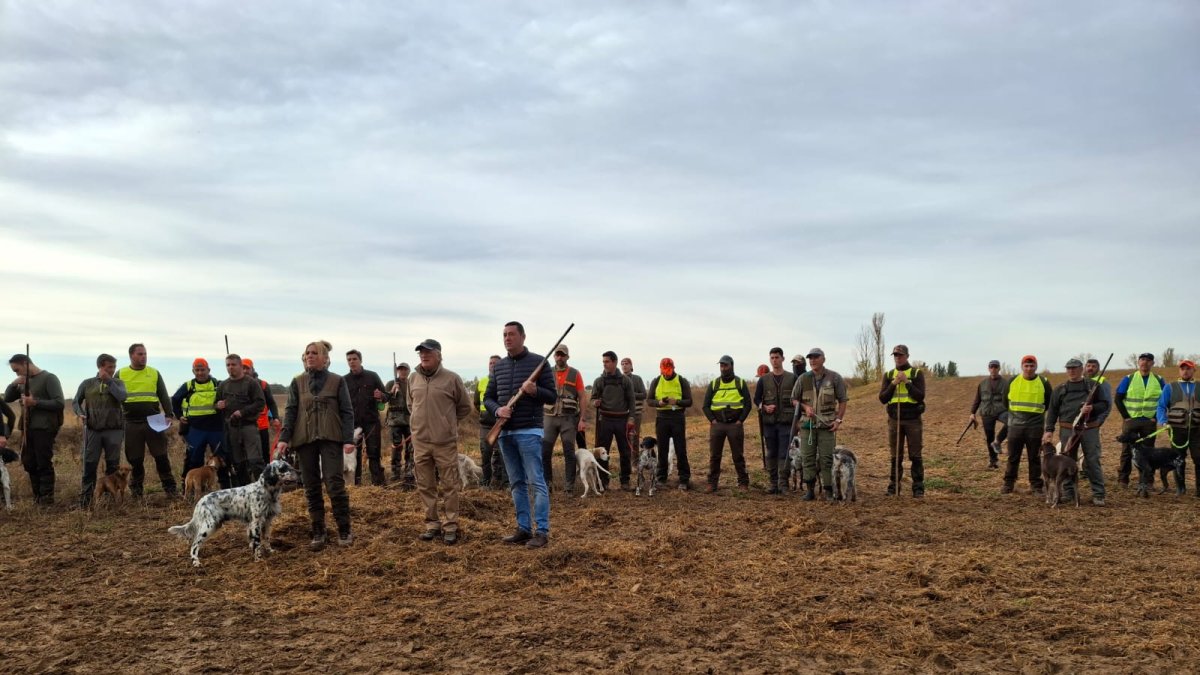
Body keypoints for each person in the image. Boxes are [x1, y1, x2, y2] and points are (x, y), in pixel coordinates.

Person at [484, 321, 557, 549]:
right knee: (516, 482)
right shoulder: (499, 367)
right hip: (506, 433)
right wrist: (498, 410)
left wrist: (534, 390)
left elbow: (552, 396)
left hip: (529, 430)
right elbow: (488, 397)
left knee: (536, 481)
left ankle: (542, 531)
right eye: (504, 334)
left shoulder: (540, 362)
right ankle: (523, 528)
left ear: (523, 337)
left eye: (512, 334)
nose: (507, 338)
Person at [276, 340, 355, 550]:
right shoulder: (297, 382)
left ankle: (344, 529)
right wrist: (284, 438)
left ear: (325, 358)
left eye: (314, 353)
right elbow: (291, 411)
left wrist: (348, 439)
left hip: (331, 438)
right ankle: (318, 532)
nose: (309, 356)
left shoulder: (337, 381)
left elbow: (347, 411)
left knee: (334, 484)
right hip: (305, 439)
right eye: (307, 353)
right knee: (311, 486)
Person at [408, 339, 473, 545]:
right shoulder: (412, 378)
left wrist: (446, 423)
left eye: (428, 352)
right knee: (425, 484)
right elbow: (411, 405)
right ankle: (432, 524)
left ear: (439, 355)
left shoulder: (451, 378)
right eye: (421, 353)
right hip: (421, 442)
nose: (424, 356)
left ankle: (451, 525)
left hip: (444, 442)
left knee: (449, 485)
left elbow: (464, 407)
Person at [1045, 358, 1109, 505]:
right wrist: (1049, 430)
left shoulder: (1093, 386)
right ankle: (1068, 493)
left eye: (1074, 368)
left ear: (1082, 369)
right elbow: (1053, 411)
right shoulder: (1060, 389)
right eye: (1068, 368)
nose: (1071, 371)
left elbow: (1105, 404)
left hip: (1089, 429)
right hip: (1067, 430)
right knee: (1066, 461)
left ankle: (1098, 494)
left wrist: (1092, 408)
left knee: (1092, 461)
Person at [117, 344, 178, 499]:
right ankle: (137, 493)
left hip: (154, 420)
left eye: (145, 353)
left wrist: (169, 414)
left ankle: (171, 490)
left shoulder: (154, 373)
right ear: (131, 355)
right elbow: (113, 397)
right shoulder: (121, 373)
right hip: (131, 422)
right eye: (140, 354)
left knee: (161, 456)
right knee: (135, 459)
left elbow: (163, 395)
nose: (143, 356)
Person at [5, 355, 65, 504]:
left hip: (44, 428)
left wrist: (35, 402)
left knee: (43, 462)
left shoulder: (49, 378)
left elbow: (59, 403)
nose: (17, 374)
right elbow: (7, 398)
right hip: (27, 428)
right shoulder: (22, 381)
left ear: (26, 363)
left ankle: (47, 500)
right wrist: (14, 383)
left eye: (17, 370)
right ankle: (37, 498)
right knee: (29, 462)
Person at [791, 348, 849, 501]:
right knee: (807, 458)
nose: (812, 360)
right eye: (810, 358)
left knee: (827, 459)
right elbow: (794, 399)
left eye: (816, 357)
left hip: (826, 426)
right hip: (807, 426)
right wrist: (805, 407)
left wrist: (838, 420)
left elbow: (843, 400)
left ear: (823, 359)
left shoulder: (835, 378)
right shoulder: (803, 378)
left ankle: (829, 491)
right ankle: (810, 490)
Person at [71, 354, 127, 507]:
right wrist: (80, 412)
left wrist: (108, 381)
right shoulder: (87, 383)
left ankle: (111, 501)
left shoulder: (118, 383)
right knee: (89, 465)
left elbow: (122, 397)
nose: (112, 370)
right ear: (100, 367)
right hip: (93, 431)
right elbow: (75, 401)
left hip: (114, 430)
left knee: (113, 466)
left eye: (114, 367)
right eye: (109, 367)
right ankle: (85, 501)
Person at [171, 359, 229, 487]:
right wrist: (179, 416)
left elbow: (230, 398)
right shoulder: (188, 386)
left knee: (221, 459)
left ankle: (226, 488)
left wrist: (223, 404)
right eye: (197, 370)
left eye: (203, 370)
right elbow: (174, 400)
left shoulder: (219, 385)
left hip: (216, 429)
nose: (200, 373)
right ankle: (188, 490)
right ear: (193, 371)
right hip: (195, 430)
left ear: (209, 370)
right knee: (193, 460)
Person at [879, 345, 927, 497]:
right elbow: (883, 398)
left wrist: (907, 382)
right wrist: (893, 384)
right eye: (895, 355)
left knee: (915, 455)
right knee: (896, 456)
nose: (897, 358)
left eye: (900, 355)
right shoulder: (888, 375)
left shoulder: (916, 373)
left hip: (913, 420)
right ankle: (894, 487)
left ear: (907, 356)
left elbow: (920, 396)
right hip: (895, 420)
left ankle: (918, 488)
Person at [1003, 355, 1052, 496]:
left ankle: (1036, 486)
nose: (1029, 368)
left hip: (1035, 426)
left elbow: (1048, 403)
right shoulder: (1012, 381)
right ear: (1022, 366)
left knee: (1034, 457)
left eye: (1032, 366)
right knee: (1013, 456)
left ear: (1036, 366)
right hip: (1015, 426)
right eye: (1026, 366)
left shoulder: (1043, 382)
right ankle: (1008, 484)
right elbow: (1005, 401)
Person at [1114, 353, 1166, 487]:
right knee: (1126, 451)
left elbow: (1164, 400)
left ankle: (1147, 481)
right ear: (1138, 362)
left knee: (1148, 452)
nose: (1145, 362)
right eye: (1142, 360)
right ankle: (1123, 479)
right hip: (1131, 422)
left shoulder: (1159, 380)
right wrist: (1126, 416)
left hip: (1149, 422)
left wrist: (1155, 417)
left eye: (1149, 360)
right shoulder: (1129, 378)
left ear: (1152, 363)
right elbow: (1118, 398)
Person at [702, 355, 751, 493]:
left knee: (738, 456)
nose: (723, 368)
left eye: (725, 365)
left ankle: (743, 483)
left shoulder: (740, 383)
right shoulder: (714, 384)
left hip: (734, 425)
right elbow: (705, 406)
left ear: (732, 365)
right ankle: (712, 483)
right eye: (721, 366)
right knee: (714, 456)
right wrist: (713, 420)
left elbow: (748, 404)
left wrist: (740, 421)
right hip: (717, 425)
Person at [216, 354, 266, 485]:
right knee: (239, 464)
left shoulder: (251, 383)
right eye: (228, 365)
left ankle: (266, 491)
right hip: (231, 429)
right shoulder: (223, 385)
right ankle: (245, 494)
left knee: (256, 462)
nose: (230, 367)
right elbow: (216, 404)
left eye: (233, 364)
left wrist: (242, 412)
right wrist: (218, 405)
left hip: (248, 427)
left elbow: (260, 403)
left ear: (240, 366)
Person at [543, 345, 586, 494]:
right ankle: (547, 485)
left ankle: (569, 487)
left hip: (568, 419)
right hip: (549, 418)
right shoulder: (546, 372)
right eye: (557, 355)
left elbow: (582, 396)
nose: (560, 357)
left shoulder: (575, 373)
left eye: (563, 355)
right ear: (554, 356)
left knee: (569, 453)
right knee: (545, 452)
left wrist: (582, 419)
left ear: (568, 357)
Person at [753, 347, 797, 494]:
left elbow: (799, 398)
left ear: (783, 359)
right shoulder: (764, 380)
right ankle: (773, 483)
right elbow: (757, 399)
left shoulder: (793, 378)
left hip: (786, 423)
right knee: (771, 452)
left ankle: (784, 484)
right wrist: (764, 407)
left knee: (784, 454)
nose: (774, 360)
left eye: (777, 357)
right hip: (769, 423)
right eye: (772, 358)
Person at [648, 357, 693, 490]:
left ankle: (684, 479)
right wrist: (659, 403)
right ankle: (661, 478)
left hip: (677, 417)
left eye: (668, 370)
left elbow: (689, 401)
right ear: (660, 369)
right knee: (662, 449)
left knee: (680, 449)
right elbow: (649, 400)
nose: (666, 373)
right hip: (661, 418)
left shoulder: (681, 380)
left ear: (673, 368)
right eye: (663, 370)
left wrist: (677, 402)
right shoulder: (656, 381)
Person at [592, 351, 636, 489]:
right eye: (603, 362)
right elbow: (592, 398)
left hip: (622, 420)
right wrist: (595, 402)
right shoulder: (599, 381)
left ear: (614, 362)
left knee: (625, 451)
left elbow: (632, 401)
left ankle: (625, 481)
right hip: (605, 420)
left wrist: (631, 418)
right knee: (602, 451)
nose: (604, 364)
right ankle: (603, 482)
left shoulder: (625, 380)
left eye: (607, 361)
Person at [1157, 359, 1199, 496]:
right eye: (1182, 368)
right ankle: (1181, 488)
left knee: (1199, 458)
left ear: (1194, 370)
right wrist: (1163, 422)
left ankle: (1199, 490)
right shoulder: (1170, 387)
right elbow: (1161, 406)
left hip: (1197, 429)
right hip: (1177, 429)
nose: (1185, 371)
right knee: (1178, 459)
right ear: (1179, 370)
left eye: (1188, 368)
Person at [345, 350, 387, 486]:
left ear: (360, 360)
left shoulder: (372, 376)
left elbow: (386, 396)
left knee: (374, 453)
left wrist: (380, 396)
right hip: (353, 424)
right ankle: (356, 485)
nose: (352, 362)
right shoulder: (344, 380)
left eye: (354, 359)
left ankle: (378, 484)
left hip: (371, 422)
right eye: (349, 360)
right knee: (353, 455)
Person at [241, 358, 280, 471]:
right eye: (242, 368)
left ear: (252, 369)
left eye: (247, 368)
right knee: (245, 454)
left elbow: (271, 403)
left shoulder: (263, 385)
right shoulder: (235, 385)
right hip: (244, 426)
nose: (244, 371)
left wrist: (275, 417)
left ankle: (267, 475)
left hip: (261, 426)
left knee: (264, 452)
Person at [970, 359, 1009, 469]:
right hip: (986, 412)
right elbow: (977, 399)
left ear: (999, 368)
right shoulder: (982, 384)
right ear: (988, 368)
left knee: (1012, 421)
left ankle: (998, 441)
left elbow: (1010, 399)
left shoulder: (1006, 383)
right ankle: (993, 461)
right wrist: (972, 413)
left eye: (996, 367)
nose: (993, 369)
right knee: (989, 437)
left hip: (1001, 410)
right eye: (991, 367)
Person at [475, 356, 507, 489]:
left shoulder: (504, 381)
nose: (492, 365)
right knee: (485, 453)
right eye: (490, 363)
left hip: (500, 424)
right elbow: (476, 403)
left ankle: (506, 483)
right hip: (485, 425)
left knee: (504, 454)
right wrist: (484, 414)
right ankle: (486, 482)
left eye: (495, 363)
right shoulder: (482, 382)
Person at [384, 362, 414, 487]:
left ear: (408, 371)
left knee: (411, 448)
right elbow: (383, 400)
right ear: (397, 371)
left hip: (410, 420)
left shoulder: (412, 383)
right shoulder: (391, 383)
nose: (402, 371)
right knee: (396, 447)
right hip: (395, 420)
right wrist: (391, 392)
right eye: (400, 369)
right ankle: (395, 472)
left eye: (405, 369)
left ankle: (409, 471)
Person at [620, 357, 647, 451]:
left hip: (636, 412)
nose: (624, 366)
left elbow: (644, 394)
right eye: (622, 364)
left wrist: (631, 394)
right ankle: (625, 460)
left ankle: (635, 461)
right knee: (623, 436)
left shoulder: (637, 379)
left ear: (631, 366)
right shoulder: (618, 379)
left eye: (626, 364)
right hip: (622, 413)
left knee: (635, 436)